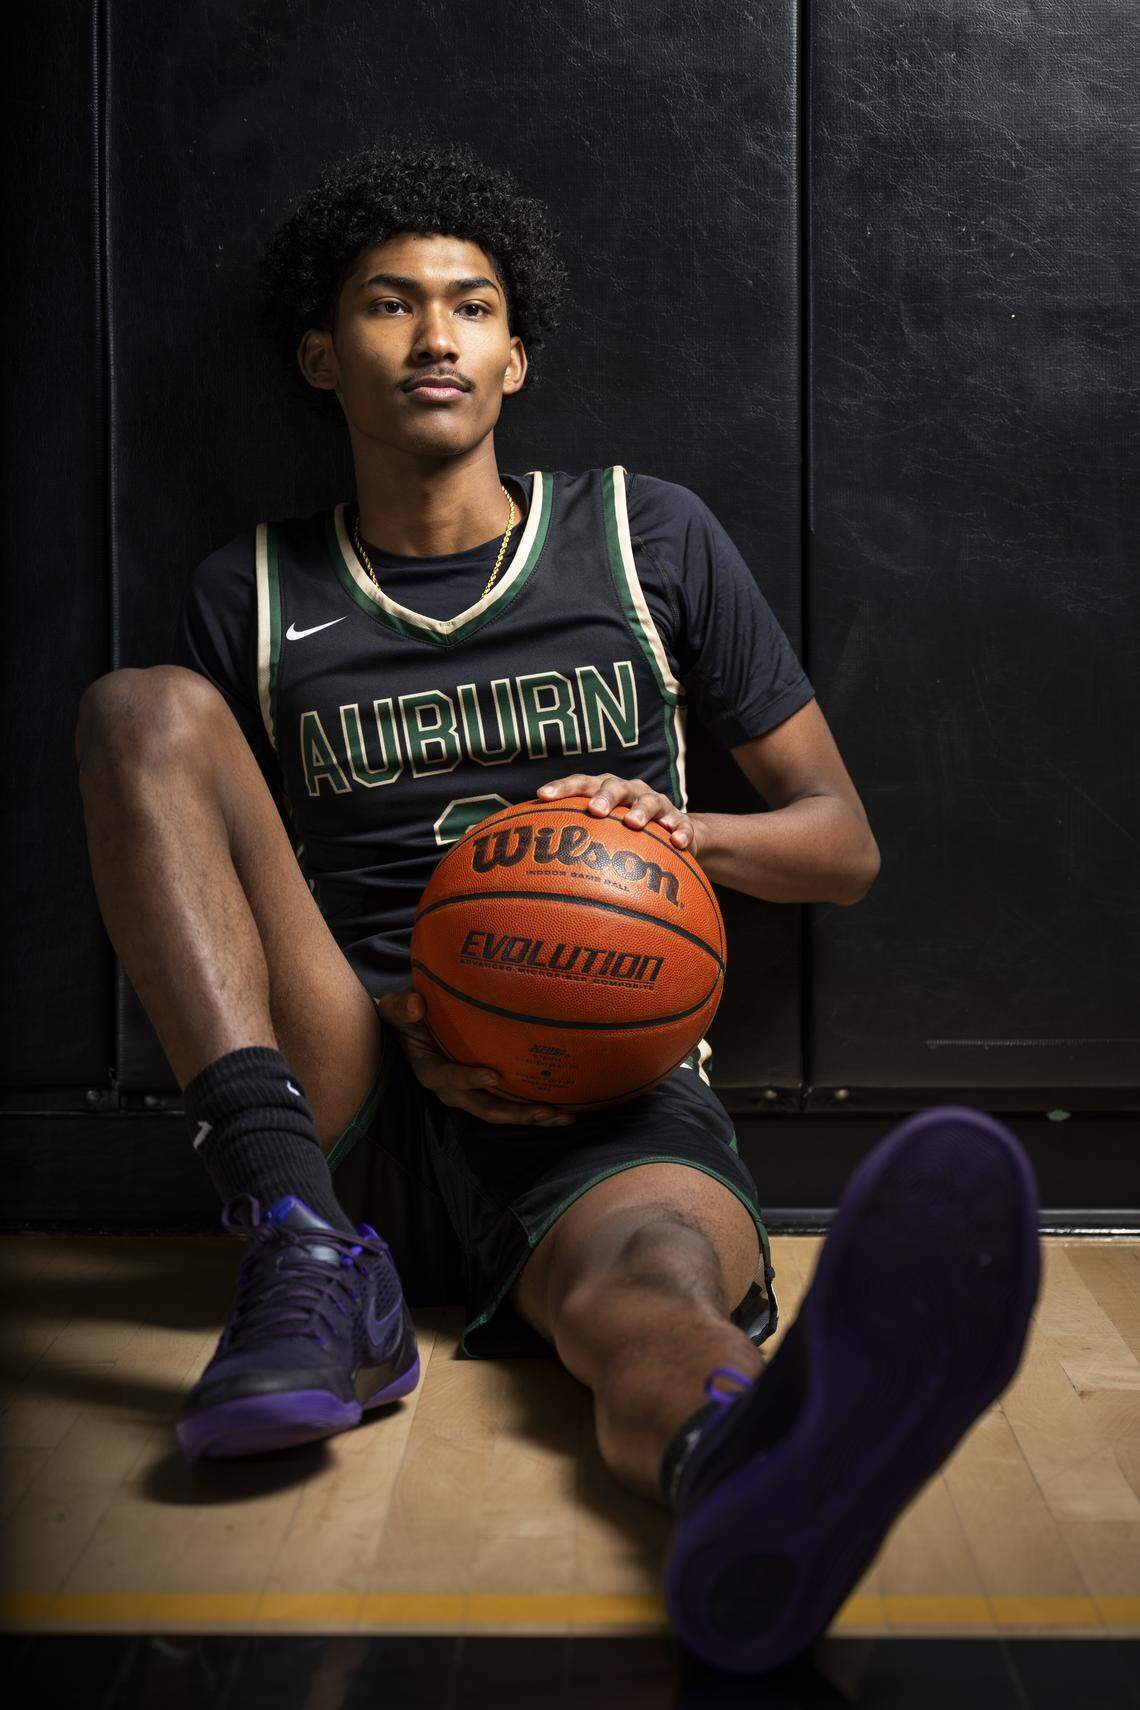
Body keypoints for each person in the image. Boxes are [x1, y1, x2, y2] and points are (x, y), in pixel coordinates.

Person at [73, 138, 1039, 1673]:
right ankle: (298, 1240)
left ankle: (748, 1467)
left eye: (472, 306)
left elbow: (841, 843)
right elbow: (200, 879)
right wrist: (407, 1003)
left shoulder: (645, 539)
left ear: (517, 356)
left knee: (646, 1298)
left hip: (610, 1078)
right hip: (365, 1073)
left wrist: (690, 834)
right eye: (391, 306)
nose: (436, 336)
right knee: (139, 712)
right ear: (325, 356)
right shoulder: (247, 590)